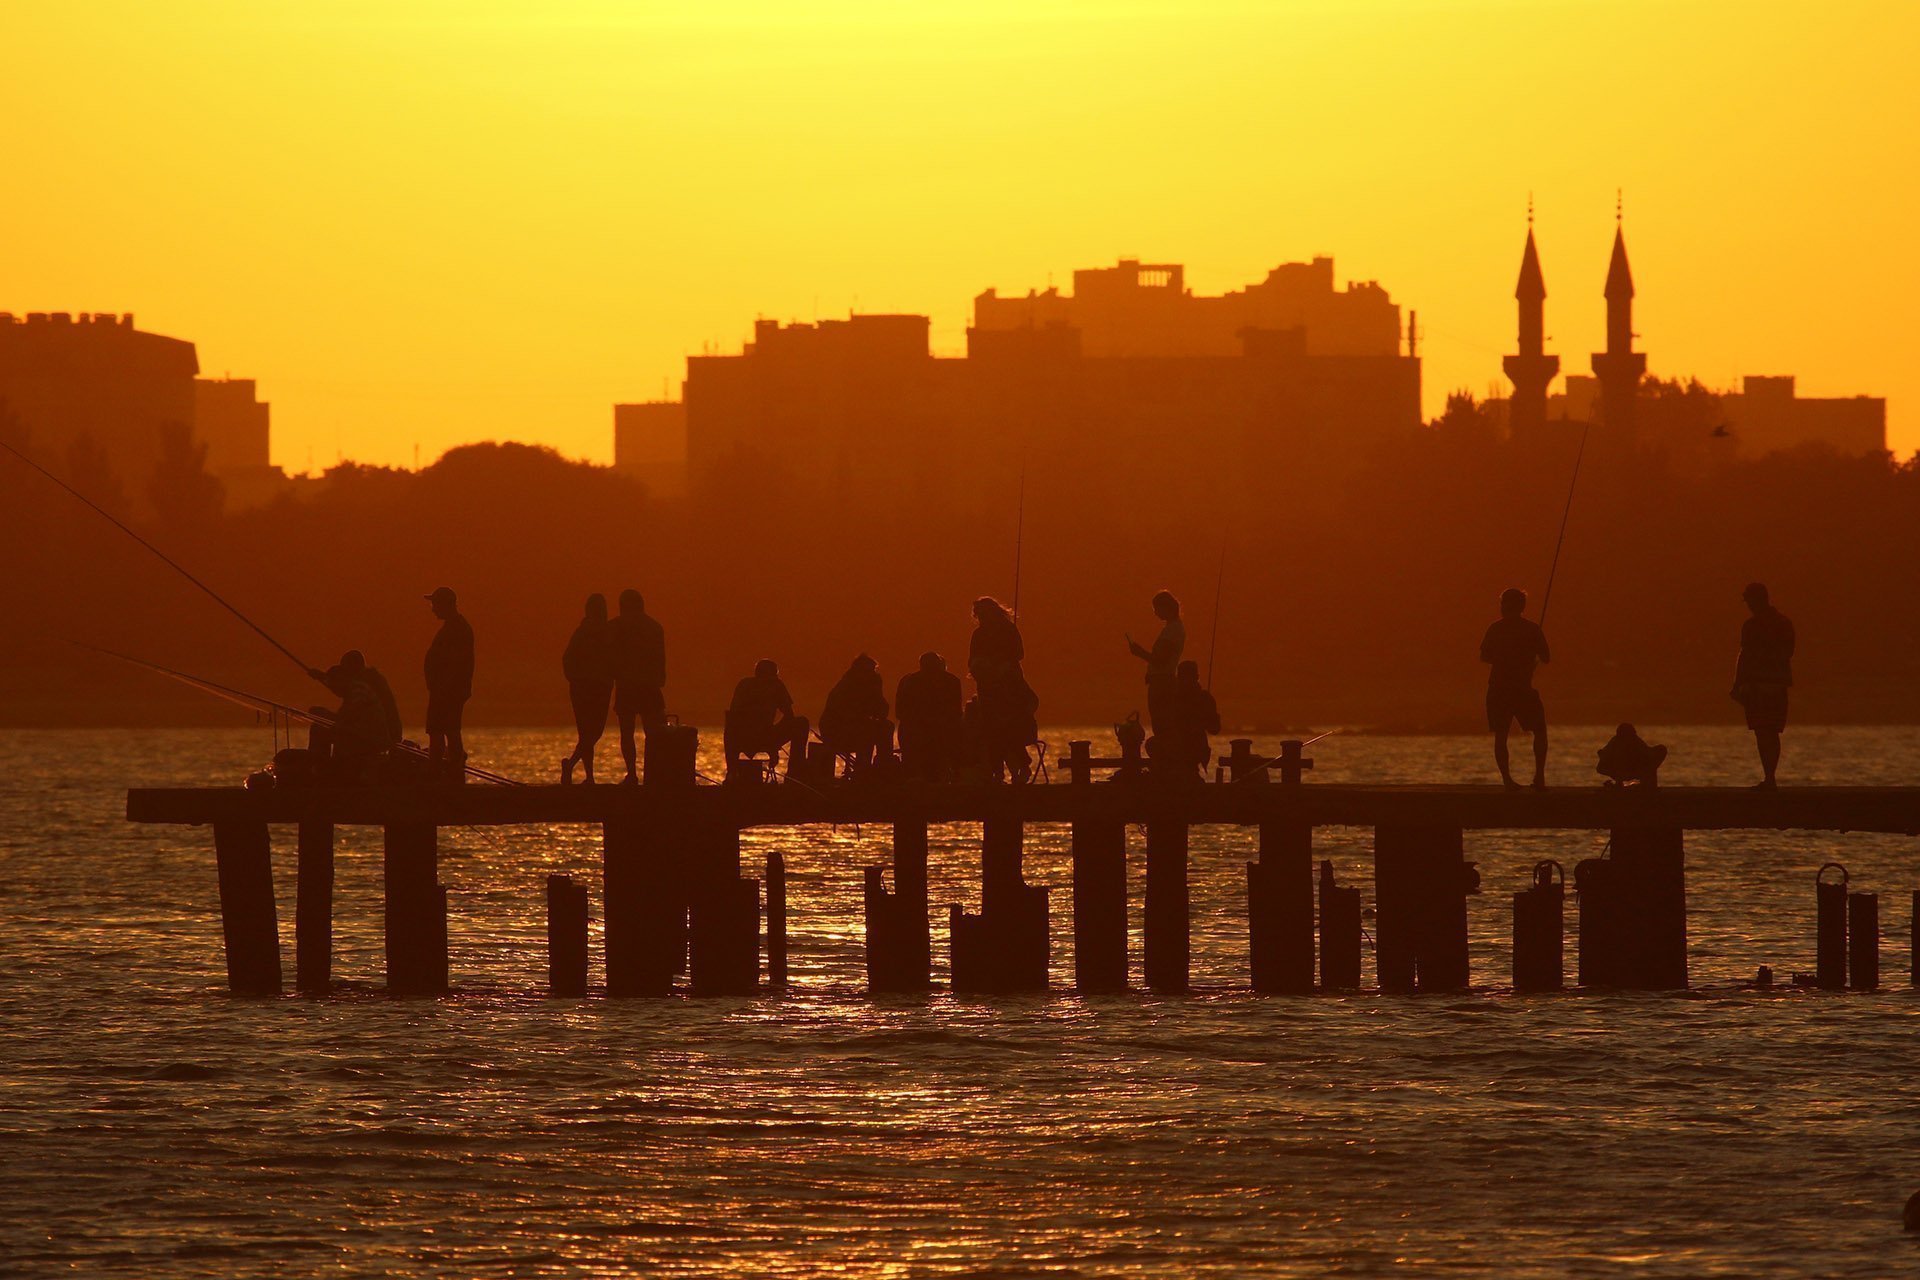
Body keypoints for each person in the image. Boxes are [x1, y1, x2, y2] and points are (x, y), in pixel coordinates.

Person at [1480, 586, 1550, 790]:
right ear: (1523, 606)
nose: (1502, 607)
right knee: (1539, 731)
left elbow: (1484, 656)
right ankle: (1539, 777)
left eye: (1504, 603)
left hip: (1499, 690)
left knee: (1501, 735)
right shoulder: (1532, 629)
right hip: (1521, 689)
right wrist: (1529, 657)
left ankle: (1507, 780)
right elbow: (1546, 657)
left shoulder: (1495, 628)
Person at [967, 596, 1039, 781]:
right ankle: (997, 772)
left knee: (1008, 728)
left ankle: (1020, 765)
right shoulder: (978, 634)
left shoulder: (1009, 630)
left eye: (984, 613)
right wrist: (982, 668)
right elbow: (972, 660)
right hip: (988, 689)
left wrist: (1003, 666)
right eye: (979, 614)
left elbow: (1018, 654)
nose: (981, 617)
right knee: (991, 732)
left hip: (1009, 687)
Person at [1733, 581, 1795, 788]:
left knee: (1762, 732)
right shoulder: (1785, 623)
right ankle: (1771, 777)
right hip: (1778, 686)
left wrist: (1737, 685)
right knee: (1772, 731)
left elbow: (1745, 656)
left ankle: (1769, 778)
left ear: (1754, 600)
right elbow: (1789, 653)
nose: (1748, 605)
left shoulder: (1751, 626)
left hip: (1757, 687)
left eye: (1749, 601)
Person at [306, 651, 401, 782]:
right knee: (326, 726)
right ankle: (324, 769)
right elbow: (338, 688)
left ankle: (320, 772)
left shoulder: (359, 689)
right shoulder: (366, 682)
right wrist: (320, 677)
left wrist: (320, 714)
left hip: (372, 738)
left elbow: (344, 718)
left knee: (319, 729)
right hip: (369, 734)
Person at [610, 589, 667, 785]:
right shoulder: (655, 627)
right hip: (650, 686)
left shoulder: (616, 626)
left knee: (627, 733)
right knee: (653, 734)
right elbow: (660, 658)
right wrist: (660, 678)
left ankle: (632, 774)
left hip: (627, 685)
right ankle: (654, 774)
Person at [560, 594, 615, 785]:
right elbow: (613, 659)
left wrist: (574, 678)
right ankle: (576, 767)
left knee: (586, 733)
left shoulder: (580, 632)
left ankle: (586, 774)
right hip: (599, 688)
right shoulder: (607, 633)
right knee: (594, 732)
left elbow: (567, 658)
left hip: (580, 687)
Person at [423, 586, 475, 779]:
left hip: (447, 691)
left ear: (445, 605)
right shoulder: (454, 627)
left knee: (446, 731)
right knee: (445, 731)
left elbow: (458, 664)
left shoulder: (458, 629)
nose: (433, 608)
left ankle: (445, 773)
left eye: (435, 604)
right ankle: (448, 772)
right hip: (444, 690)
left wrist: (444, 687)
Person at [724, 659, 809, 777]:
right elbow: (789, 715)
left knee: (731, 727)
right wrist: (774, 740)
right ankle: (795, 772)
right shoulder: (776, 685)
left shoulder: (743, 684)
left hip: (742, 737)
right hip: (764, 736)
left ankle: (732, 772)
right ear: (774, 675)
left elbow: (733, 716)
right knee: (802, 723)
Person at [895, 651, 964, 780]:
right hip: (924, 726)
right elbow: (956, 711)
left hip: (933, 726)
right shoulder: (951, 681)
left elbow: (900, 711)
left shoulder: (910, 681)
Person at [819, 654, 894, 773]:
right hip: (836, 733)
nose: (873, 675)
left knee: (887, 726)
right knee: (866, 731)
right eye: (870, 671)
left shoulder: (870, 687)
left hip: (859, 729)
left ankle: (883, 765)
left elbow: (882, 712)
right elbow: (849, 716)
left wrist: (877, 692)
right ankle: (863, 771)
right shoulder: (845, 687)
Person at [1126, 590, 1185, 735]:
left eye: (1157, 608)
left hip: (1162, 683)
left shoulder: (1173, 630)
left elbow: (1160, 660)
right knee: (1161, 722)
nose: (1155, 612)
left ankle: (1163, 752)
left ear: (1167, 607)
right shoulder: (1172, 628)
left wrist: (1140, 653)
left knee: (1161, 723)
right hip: (1161, 681)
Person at [1159, 659, 1220, 779]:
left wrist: (1203, 720)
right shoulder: (1174, 698)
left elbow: (1215, 729)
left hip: (1192, 749)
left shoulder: (1203, 699)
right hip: (1177, 748)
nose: (1185, 682)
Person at [1596, 723, 1668, 788]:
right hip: (1628, 771)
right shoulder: (1632, 740)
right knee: (1660, 750)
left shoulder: (1618, 742)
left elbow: (1602, 760)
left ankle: (1620, 782)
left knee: (1659, 751)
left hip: (1630, 771)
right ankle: (1646, 783)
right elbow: (1648, 753)